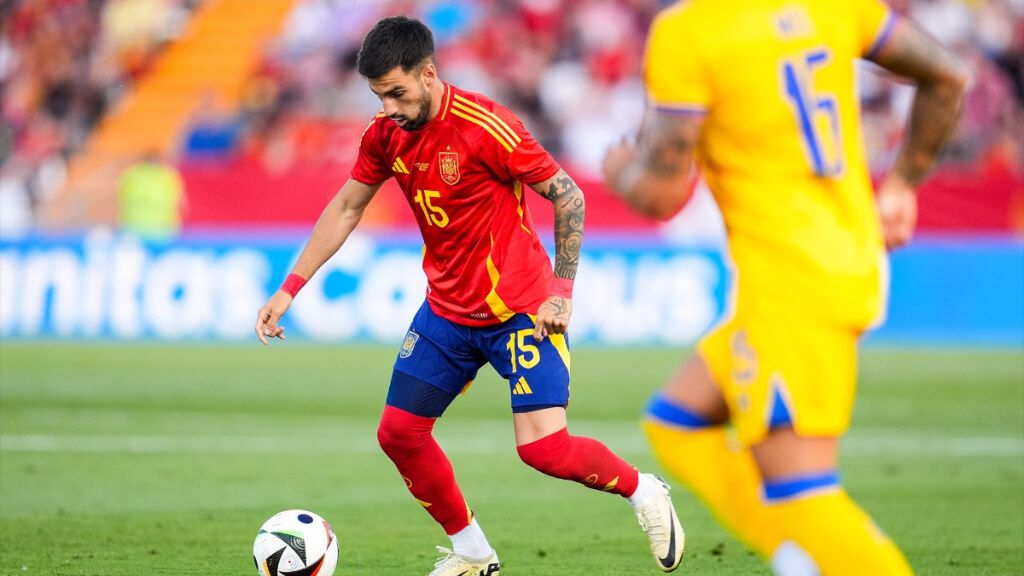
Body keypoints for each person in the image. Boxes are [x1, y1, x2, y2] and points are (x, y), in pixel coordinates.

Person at [256, 16, 685, 576]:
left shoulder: (488, 127)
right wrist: (290, 288)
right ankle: (474, 556)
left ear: (428, 74)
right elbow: (346, 207)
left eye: (397, 93)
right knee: (399, 434)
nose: (387, 108)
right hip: (447, 312)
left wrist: (561, 291)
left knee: (543, 451)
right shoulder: (386, 133)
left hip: (520, 312)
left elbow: (569, 196)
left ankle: (643, 490)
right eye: (379, 96)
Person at [602, 1, 968, 575]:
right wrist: (901, 184)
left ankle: (819, 553)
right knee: (678, 422)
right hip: (845, 259)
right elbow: (947, 74)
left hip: (790, 282)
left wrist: (618, 166)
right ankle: (803, 559)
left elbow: (661, 195)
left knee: (805, 493)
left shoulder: (689, 33)